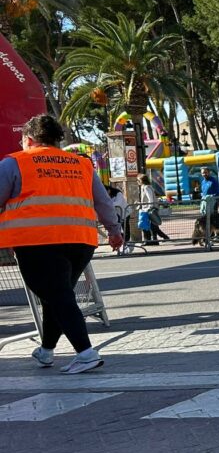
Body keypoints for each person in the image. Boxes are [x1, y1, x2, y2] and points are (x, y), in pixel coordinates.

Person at [0, 114, 123, 373]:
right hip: (81, 242)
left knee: (58, 296)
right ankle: (46, 351)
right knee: (55, 296)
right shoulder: (81, 163)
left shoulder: (15, 163)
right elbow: (102, 201)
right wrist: (114, 230)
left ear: (29, 139)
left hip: (37, 241)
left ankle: (86, 353)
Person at [137, 173, 171, 243]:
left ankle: (157, 239)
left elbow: (150, 199)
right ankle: (160, 238)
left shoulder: (146, 187)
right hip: (149, 208)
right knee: (153, 225)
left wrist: (149, 207)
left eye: (138, 180)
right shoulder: (145, 187)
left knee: (152, 225)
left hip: (150, 208)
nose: (137, 182)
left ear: (141, 180)